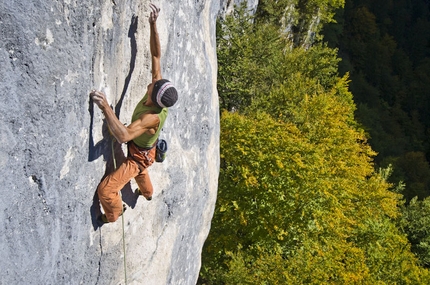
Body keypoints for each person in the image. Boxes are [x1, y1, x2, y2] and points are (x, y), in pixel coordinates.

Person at [90, 3, 178, 224]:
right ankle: (148, 194)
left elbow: (123, 136)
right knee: (142, 172)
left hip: (138, 155)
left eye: (153, 85)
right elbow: (156, 56)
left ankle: (114, 214)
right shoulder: (158, 95)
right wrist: (153, 25)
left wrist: (106, 107)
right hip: (146, 151)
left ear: (153, 96)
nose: (152, 82)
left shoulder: (151, 117)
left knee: (108, 190)